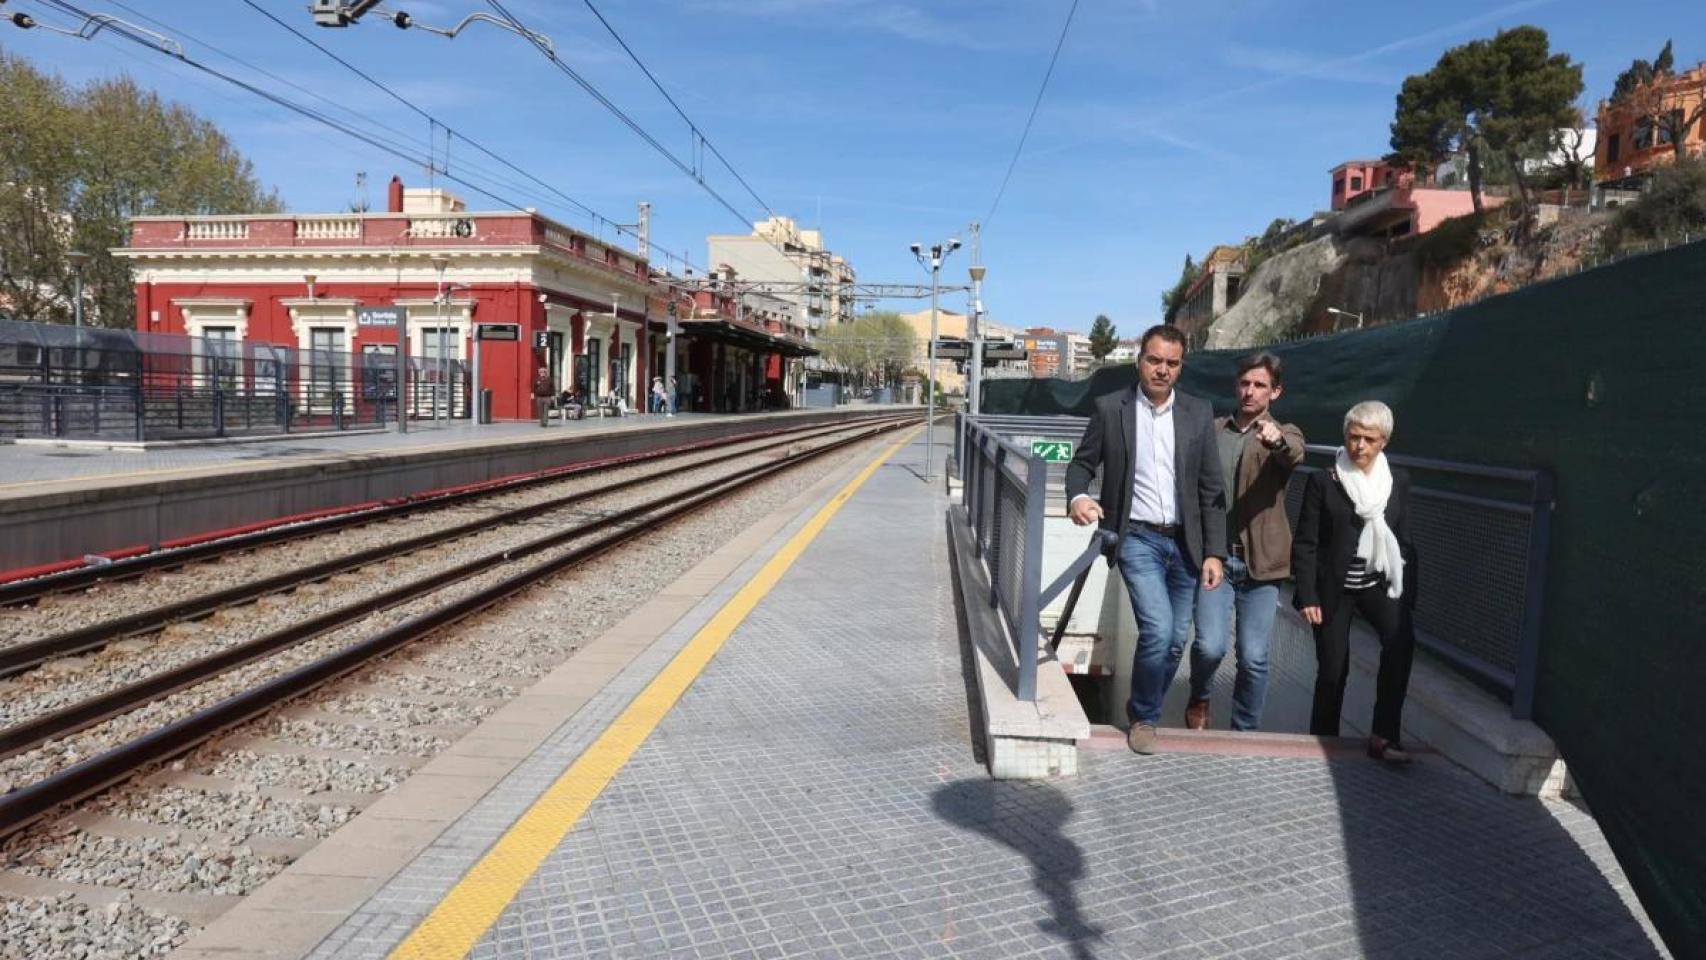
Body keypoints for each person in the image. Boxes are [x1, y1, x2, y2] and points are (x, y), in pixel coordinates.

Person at [1066, 323, 1226, 755]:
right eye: (1154, 360)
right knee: (1156, 628)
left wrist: (1214, 552)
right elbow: (1081, 465)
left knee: (1176, 639)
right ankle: (1144, 716)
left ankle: (1146, 703)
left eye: (1172, 363)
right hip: (1137, 537)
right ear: (1139, 361)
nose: (1162, 370)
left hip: (1187, 544)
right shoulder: (1110, 408)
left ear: (1181, 367)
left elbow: (1212, 491)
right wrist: (1079, 497)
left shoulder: (1197, 412)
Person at [1292, 400, 1419, 764]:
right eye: (1353, 437)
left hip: (1378, 582)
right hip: (1334, 588)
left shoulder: (1398, 482)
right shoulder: (1324, 480)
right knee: (1333, 668)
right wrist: (1307, 595)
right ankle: (1324, 742)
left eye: (1368, 439)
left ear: (1384, 442)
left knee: (1401, 642)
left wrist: (1406, 594)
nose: (1358, 446)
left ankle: (1384, 735)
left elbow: (1405, 539)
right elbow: (1306, 542)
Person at [1184, 352, 1305, 731]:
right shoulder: (1214, 430)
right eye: (1245, 383)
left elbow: (1294, 453)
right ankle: (1200, 695)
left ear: (1275, 392)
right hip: (1215, 559)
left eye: (1260, 385)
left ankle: (1245, 731)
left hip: (1262, 565)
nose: (1250, 392)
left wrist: (1276, 440)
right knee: (1210, 646)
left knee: (1253, 657)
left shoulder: (1284, 432)